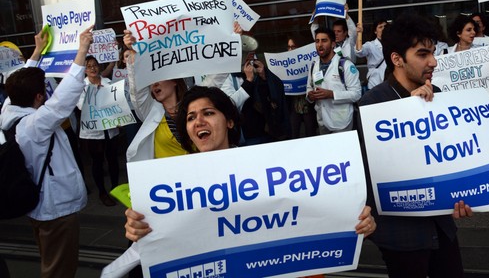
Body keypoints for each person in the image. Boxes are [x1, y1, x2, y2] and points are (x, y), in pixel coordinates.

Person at [122, 86, 376, 266]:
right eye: (190, 118)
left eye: (208, 113)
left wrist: (354, 220)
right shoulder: (170, 189)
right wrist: (140, 231)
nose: (198, 121)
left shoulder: (269, 170)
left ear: (230, 122)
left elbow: (308, 214)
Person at [357, 14, 473, 278]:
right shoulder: (372, 105)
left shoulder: (438, 96)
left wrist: (465, 192)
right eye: (423, 54)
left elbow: (451, 156)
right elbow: (374, 173)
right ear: (397, 59)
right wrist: (408, 111)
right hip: (402, 235)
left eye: (433, 52)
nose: (433, 61)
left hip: (442, 226)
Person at [1, 26, 93, 278]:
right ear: (40, 96)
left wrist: (37, 52)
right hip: (55, 209)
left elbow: (17, 83)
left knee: (50, 260)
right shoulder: (35, 125)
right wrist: (82, 50)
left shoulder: (8, 111)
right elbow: (64, 98)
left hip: (39, 207)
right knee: (58, 269)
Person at [122, 30, 189, 162]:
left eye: (158, 78)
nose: (155, 84)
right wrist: (134, 54)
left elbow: (214, 81)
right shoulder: (151, 112)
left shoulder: (193, 107)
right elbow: (137, 91)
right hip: (166, 179)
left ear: (174, 81)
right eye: (151, 82)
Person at [77, 55, 120, 207]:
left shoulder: (108, 82)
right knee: (97, 162)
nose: (93, 68)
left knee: (113, 160)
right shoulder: (80, 86)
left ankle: (115, 188)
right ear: (84, 70)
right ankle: (102, 192)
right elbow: (83, 106)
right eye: (89, 66)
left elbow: (117, 102)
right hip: (93, 133)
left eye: (95, 65)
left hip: (110, 128)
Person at [221, 52, 288, 145]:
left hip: (269, 132)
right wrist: (248, 81)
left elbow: (277, 94)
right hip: (247, 136)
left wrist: (265, 76)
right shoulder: (230, 78)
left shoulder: (261, 73)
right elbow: (230, 104)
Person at [306, 27, 361, 134]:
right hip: (322, 122)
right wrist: (310, 96)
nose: (320, 45)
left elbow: (357, 94)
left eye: (324, 40)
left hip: (341, 122)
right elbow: (309, 88)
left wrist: (332, 94)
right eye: (317, 41)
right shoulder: (314, 65)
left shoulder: (345, 65)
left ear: (333, 44)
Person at [286, 36, 318, 138]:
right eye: (289, 47)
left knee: (310, 133)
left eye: (293, 46)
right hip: (294, 106)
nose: (290, 49)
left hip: (308, 105)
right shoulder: (286, 65)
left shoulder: (311, 63)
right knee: (294, 134)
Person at [355, 19, 387, 90]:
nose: (383, 29)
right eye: (380, 27)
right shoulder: (370, 45)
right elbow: (359, 51)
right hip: (376, 83)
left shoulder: (394, 44)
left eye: (385, 26)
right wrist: (359, 34)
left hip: (390, 83)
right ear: (375, 31)